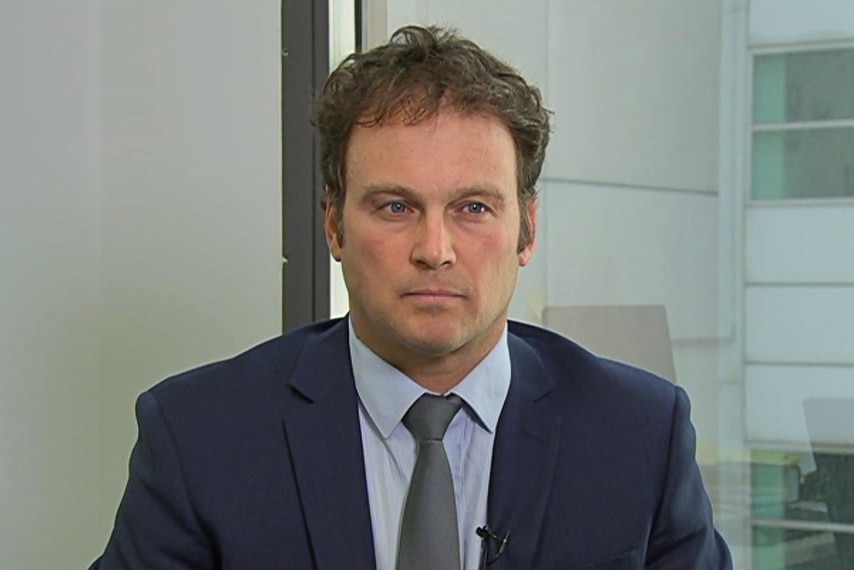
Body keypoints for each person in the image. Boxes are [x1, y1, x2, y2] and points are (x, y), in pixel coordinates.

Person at [91, 25, 732, 570]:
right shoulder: (200, 437)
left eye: (473, 207)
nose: (435, 248)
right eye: (396, 206)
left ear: (527, 230)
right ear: (335, 227)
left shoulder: (640, 435)